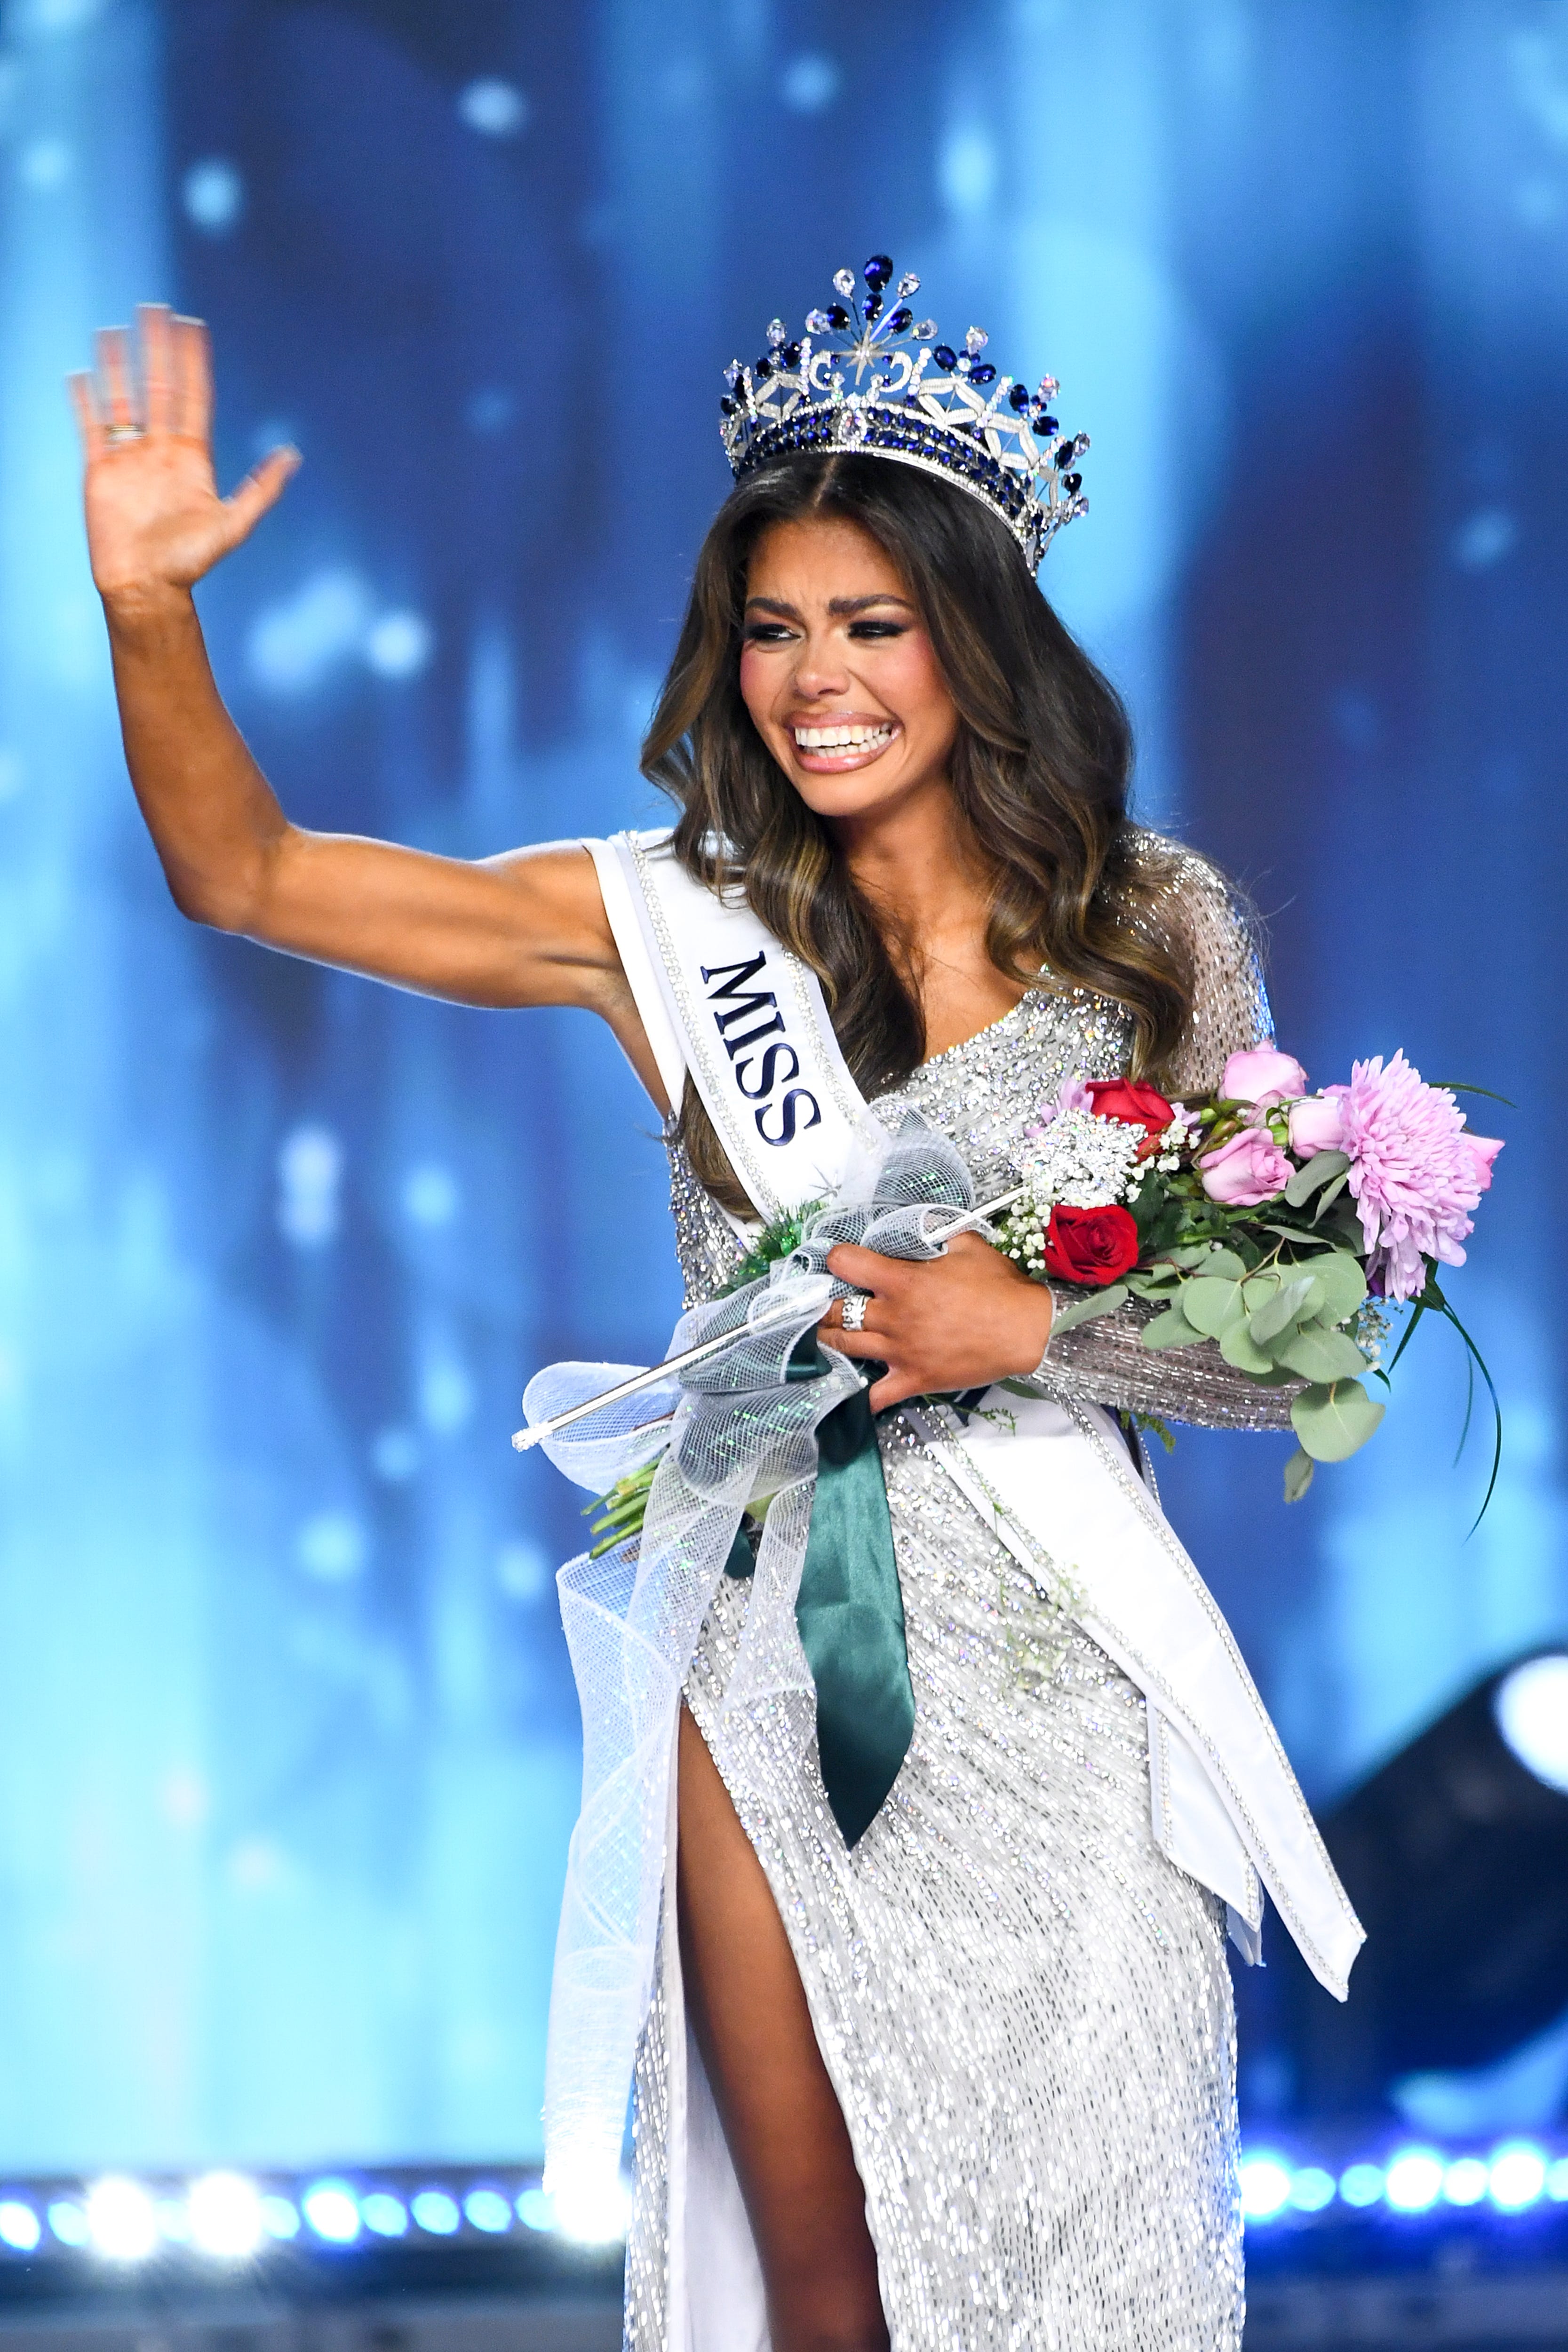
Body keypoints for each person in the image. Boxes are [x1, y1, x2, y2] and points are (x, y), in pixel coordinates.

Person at [73, 271, 1359, 2352]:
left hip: (1068, 1668)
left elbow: (1277, 1344)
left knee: (1101, 2263)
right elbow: (254, 876)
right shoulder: (667, 927)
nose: (814, 680)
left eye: (872, 624)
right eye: (773, 629)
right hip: (771, 1658)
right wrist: (151, 613)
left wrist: (1011, 1326)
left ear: (980, 637)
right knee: (825, 2285)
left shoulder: (1156, 928)